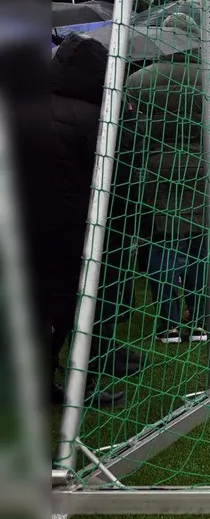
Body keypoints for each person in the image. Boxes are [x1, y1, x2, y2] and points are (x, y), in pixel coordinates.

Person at [124, 20, 210, 343]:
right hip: (203, 174)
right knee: (199, 248)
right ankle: (196, 321)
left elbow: (123, 131)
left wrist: (138, 164)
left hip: (153, 175)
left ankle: (168, 322)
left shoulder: (138, 81)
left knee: (161, 245)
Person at [31, 34, 139, 406]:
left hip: (29, 230)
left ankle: (41, 384)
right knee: (79, 312)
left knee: (41, 309)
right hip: (75, 232)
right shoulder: (95, 119)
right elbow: (117, 178)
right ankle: (82, 388)